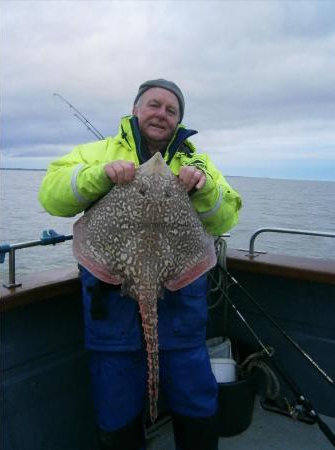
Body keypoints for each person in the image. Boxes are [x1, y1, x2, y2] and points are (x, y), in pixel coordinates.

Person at [39, 79, 242, 450]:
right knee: (116, 401)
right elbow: (51, 193)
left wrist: (203, 188)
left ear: (179, 120)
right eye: (154, 105)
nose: (161, 114)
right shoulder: (98, 152)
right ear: (135, 109)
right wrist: (99, 175)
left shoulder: (196, 161)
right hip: (110, 304)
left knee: (195, 396)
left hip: (182, 306)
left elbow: (225, 217)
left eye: (171, 110)